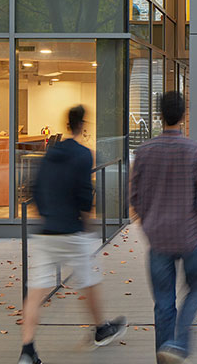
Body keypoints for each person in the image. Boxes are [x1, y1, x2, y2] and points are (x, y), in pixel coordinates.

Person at [19, 105, 125, 364]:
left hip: (47, 230)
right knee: (89, 280)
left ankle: (27, 350)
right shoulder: (84, 155)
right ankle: (101, 328)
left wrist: (45, 215)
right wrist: (87, 226)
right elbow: (83, 195)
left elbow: (36, 188)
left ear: (67, 126)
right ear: (82, 126)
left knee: (34, 293)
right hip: (73, 230)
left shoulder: (50, 153)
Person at [129, 91, 197, 364]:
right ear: (184, 115)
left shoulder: (144, 152)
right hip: (189, 235)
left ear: (160, 116)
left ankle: (165, 353)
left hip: (158, 238)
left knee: (163, 303)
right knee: (196, 287)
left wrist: (149, 221)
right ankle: (178, 343)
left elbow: (134, 196)